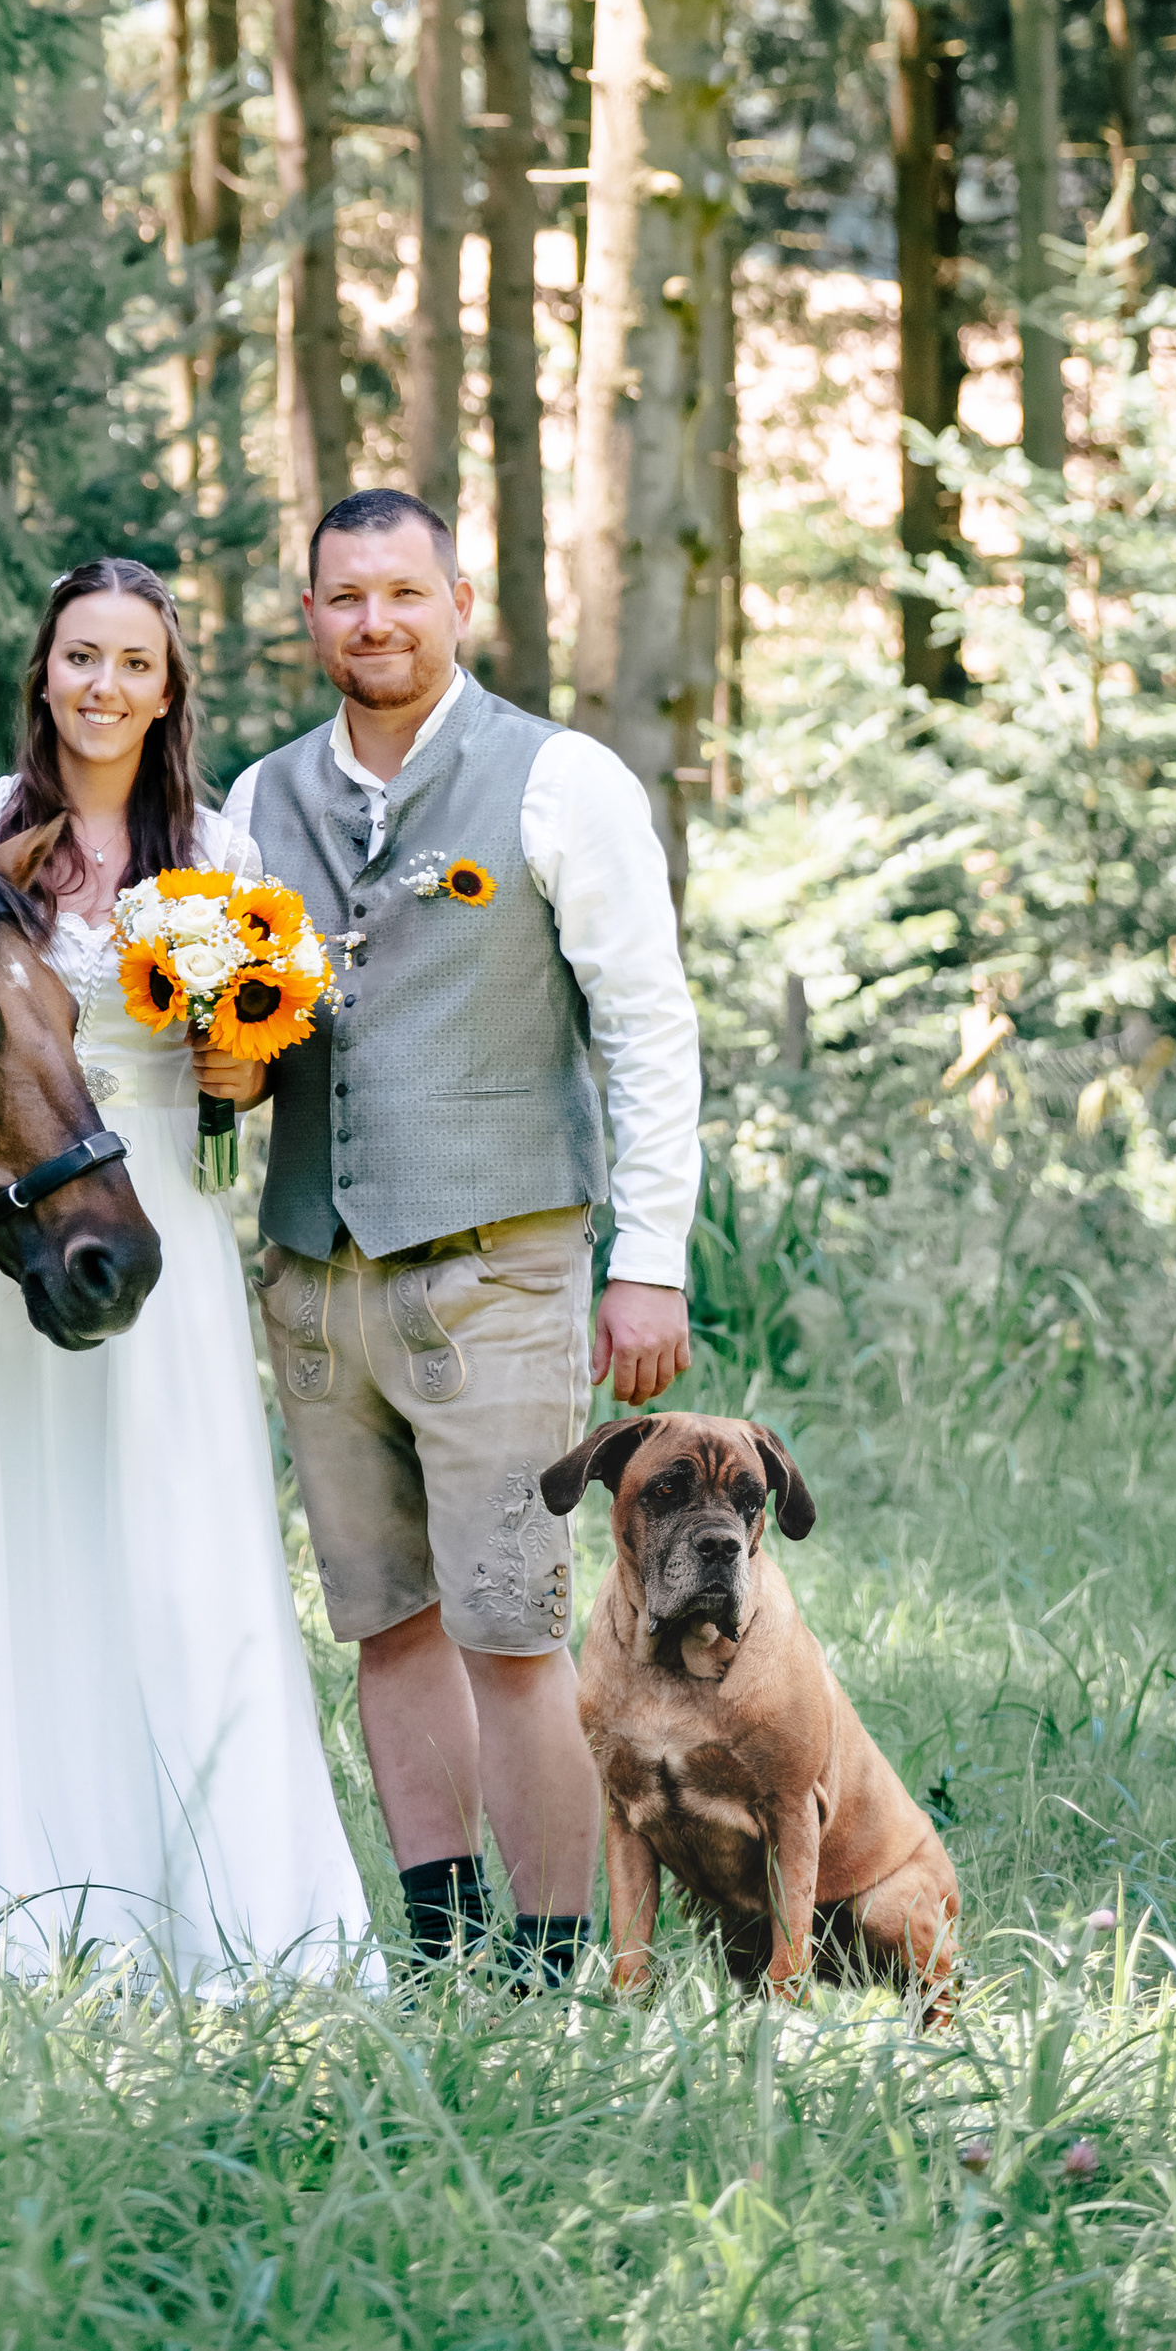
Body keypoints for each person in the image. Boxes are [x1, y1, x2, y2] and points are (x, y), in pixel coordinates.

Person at [0, 558, 377, 1987]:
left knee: (173, 1552)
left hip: (153, 1228)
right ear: (43, 674)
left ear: (169, 688)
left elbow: (252, 1067)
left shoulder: (223, 851)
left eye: (135, 663)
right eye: (82, 657)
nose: (104, 687)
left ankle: (203, 1900)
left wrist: (240, 1068)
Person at [217, 487, 701, 1983]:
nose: (375, 621)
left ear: (459, 604)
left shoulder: (560, 780)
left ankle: (551, 1968)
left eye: (403, 593)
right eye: (345, 597)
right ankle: (445, 1946)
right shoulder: (256, 802)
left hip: (501, 1264)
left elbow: (646, 1027)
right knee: (387, 1622)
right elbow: (239, 1030)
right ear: (311, 616)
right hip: (316, 1275)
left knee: (511, 1624)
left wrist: (650, 1263)